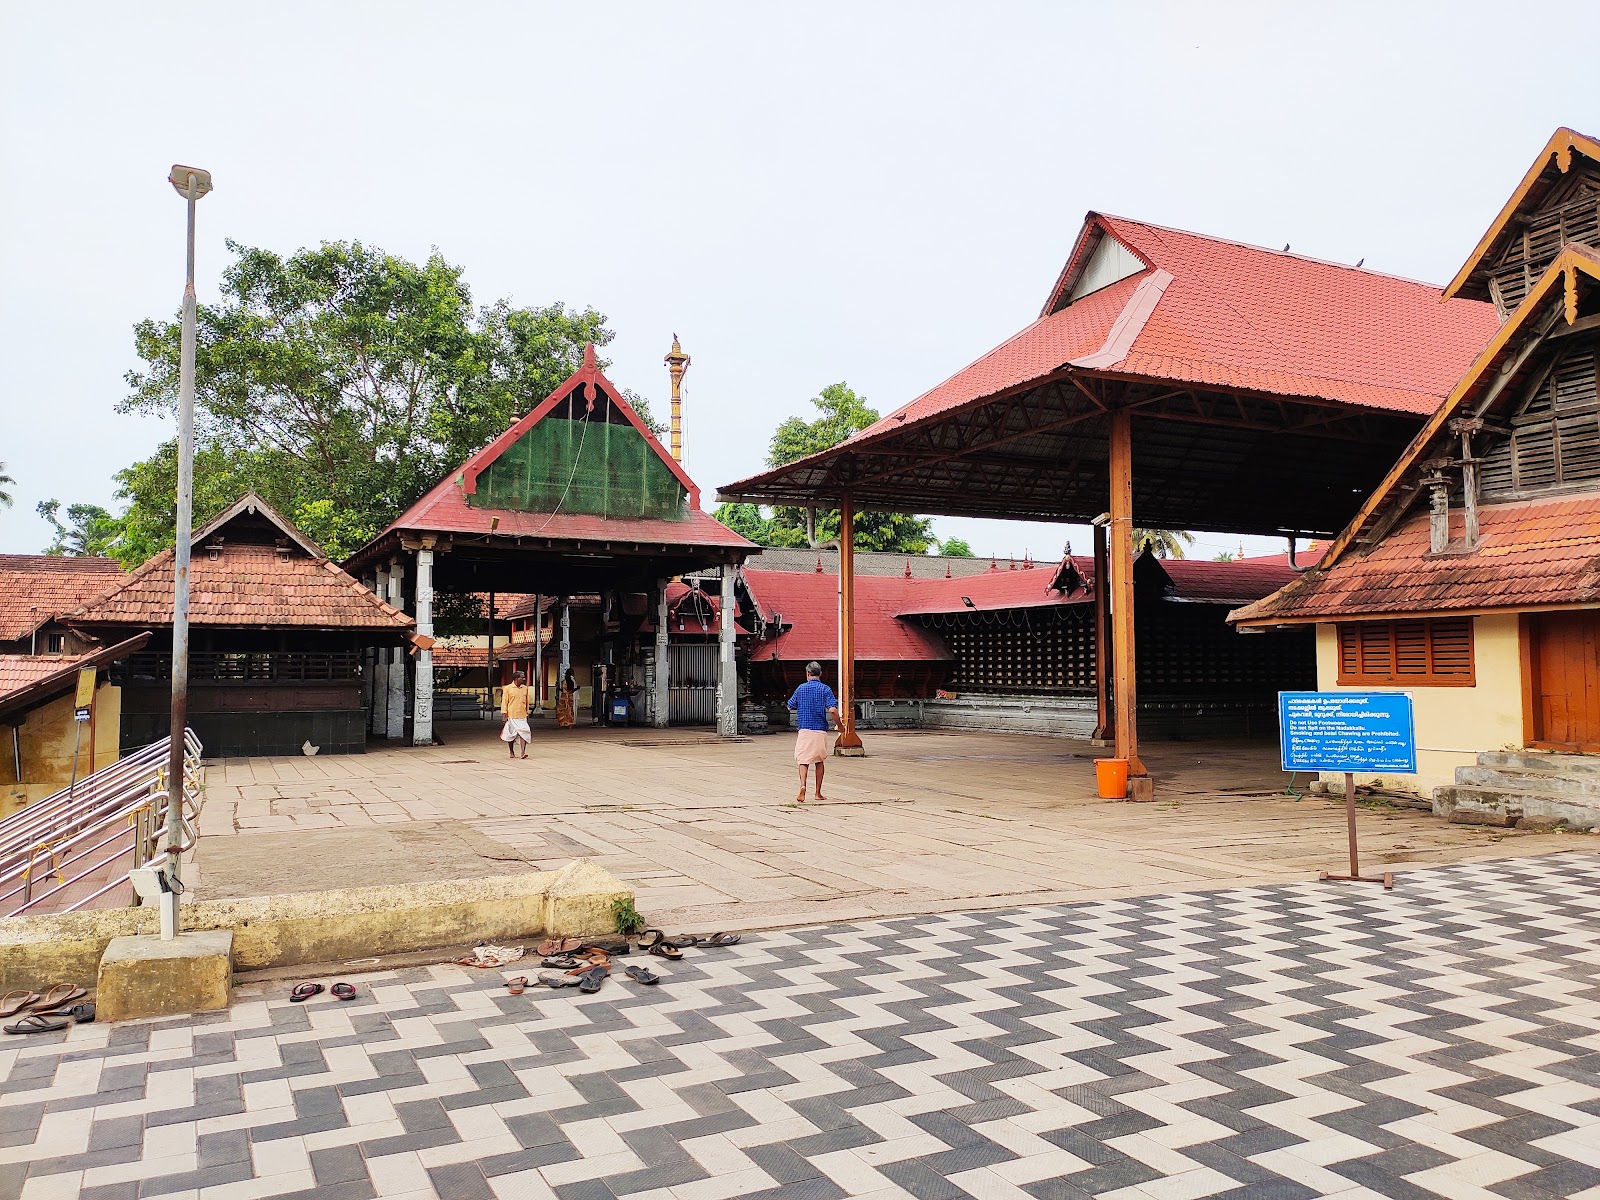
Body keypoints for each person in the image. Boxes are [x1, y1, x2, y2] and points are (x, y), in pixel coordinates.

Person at [787, 661, 840, 803]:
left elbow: (790, 706)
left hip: (804, 728)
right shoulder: (825, 689)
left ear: (807, 673)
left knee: (803, 760)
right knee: (819, 760)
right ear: (820, 674)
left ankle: (803, 785)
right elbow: (833, 710)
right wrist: (840, 726)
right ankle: (818, 793)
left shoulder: (801, 688)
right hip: (819, 729)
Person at [500, 671, 532, 759]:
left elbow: (527, 702)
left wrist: (527, 712)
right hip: (511, 715)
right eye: (522, 677)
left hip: (522, 715)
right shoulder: (507, 688)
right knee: (511, 734)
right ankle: (511, 751)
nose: (524, 679)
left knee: (524, 732)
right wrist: (504, 714)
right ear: (516, 678)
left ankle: (523, 752)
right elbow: (504, 702)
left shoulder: (525, 688)